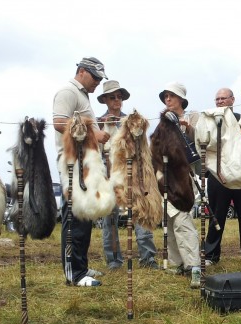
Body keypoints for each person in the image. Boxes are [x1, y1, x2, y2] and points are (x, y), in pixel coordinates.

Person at [52, 56, 110, 287]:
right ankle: (73, 274)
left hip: (84, 162)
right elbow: (58, 121)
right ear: (82, 72)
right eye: (95, 77)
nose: (97, 82)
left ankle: (81, 267)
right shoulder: (68, 91)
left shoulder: (82, 94)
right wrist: (93, 134)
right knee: (74, 217)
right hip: (72, 163)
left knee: (84, 216)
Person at [96, 80, 159, 270]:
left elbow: (142, 150)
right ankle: (114, 260)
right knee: (110, 220)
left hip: (131, 176)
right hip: (108, 177)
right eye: (112, 97)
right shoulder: (97, 124)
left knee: (140, 213)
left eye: (119, 97)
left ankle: (147, 258)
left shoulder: (132, 122)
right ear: (105, 100)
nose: (117, 100)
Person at [204, 87, 241, 267]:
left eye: (223, 98)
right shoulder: (210, 121)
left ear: (232, 100)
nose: (219, 102)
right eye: (217, 99)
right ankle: (211, 255)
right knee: (216, 216)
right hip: (218, 176)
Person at [158, 82, 201, 288]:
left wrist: (186, 128)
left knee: (183, 219)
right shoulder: (162, 122)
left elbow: (201, 142)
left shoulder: (193, 117)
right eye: (166, 96)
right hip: (165, 177)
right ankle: (177, 263)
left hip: (184, 177)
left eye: (171, 96)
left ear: (181, 99)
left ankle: (194, 266)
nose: (168, 100)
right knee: (170, 219)